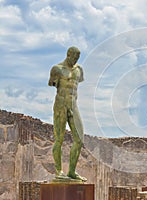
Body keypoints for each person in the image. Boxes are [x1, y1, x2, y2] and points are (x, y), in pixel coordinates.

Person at [48, 46, 87, 182]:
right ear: (68, 54)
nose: (76, 59)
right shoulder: (57, 69)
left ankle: (71, 171)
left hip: (73, 105)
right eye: (74, 57)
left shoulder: (79, 70)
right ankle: (59, 171)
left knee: (79, 139)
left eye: (78, 57)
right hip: (60, 105)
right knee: (59, 138)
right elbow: (52, 83)